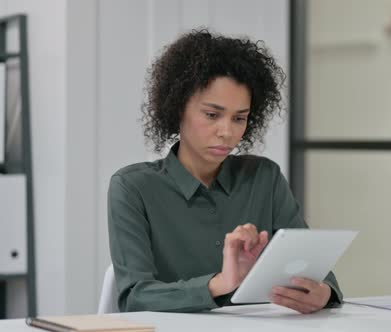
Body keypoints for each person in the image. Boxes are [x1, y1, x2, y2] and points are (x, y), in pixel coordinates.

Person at [107, 28, 343, 314]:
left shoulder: (264, 178)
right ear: (177, 108)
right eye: (212, 115)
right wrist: (220, 284)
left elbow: (315, 270)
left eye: (239, 118)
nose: (227, 132)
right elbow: (134, 297)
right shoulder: (133, 188)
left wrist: (323, 293)